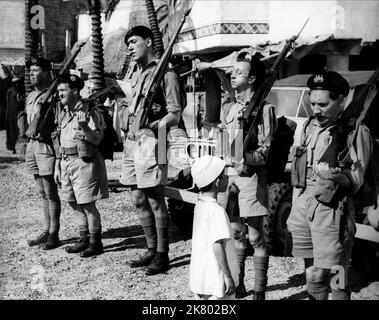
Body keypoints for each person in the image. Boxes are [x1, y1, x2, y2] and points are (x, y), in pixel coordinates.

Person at [286, 71, 373, 300]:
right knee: (312, 274)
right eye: (312, 102)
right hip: (305, 203)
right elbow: (298, 167)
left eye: (323, 104)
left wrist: (335, 177)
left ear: (341, 100)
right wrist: (296, 204)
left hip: (334, 209)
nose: (315, 110)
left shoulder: (356, 132)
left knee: (337, 275)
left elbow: (355, 181)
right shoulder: (308, 126)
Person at [120, 26, 183, 275]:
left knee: (156, 200)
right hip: (134, 140)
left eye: (134, 42)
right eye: (127, 44)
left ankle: (163, 254)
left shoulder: (166, 74)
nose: (130, 47)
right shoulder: (137, 73)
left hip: (154, 140)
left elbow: (175, 114)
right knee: (137, 198)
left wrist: (154, 124)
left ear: (148, 41)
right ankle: (150, 248)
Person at [217, 52, 278, 300]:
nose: (233, 75)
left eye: (239, 72)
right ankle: (239, 284)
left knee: (255, 237)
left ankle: (260, 291)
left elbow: (265, 152)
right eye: (233, 71)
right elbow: (222, 140)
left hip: (251, 179)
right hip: (229, 180)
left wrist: (244, 158)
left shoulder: (264, 109)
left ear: (252, 78)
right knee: (236, 234)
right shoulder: (230, 107)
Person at [54, 74, 109, 258]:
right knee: (71, 201)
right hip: (65, 161)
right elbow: (60, 138)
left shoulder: (89, 111)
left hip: (83, 162)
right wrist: (57, 165)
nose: (59, 93)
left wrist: (84, 126)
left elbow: (97, 139)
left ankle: (95, 242)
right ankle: (83, 238)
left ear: (75, 91)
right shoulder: (63, 111)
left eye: (63, 90)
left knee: (87, 204)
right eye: (58, 90)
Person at [190, 155, 239, 300]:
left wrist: (230, 202)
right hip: (216, 280)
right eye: (224, 176)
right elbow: (217, 245)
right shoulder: (216, 211)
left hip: (202, 277)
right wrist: (228, 276)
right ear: (217, 182)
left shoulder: (200, 205)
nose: (227, 179)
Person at [24, 57, 61, 250]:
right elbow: (29, 118)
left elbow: (59, 124)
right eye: (30, 71)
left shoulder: (54, 95)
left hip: (46, 146)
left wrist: (43, 132)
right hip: (32, 147)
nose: (31, 74)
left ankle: (54, 233)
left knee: (50, 192)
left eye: (36, 70)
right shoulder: (31, 96)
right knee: (41, 193)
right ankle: (47, 230)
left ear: (46, 72)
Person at [5, 72, 25, 153]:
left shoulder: (22, 92)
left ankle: (17, 147)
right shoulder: (10, 91)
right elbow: (8, 102)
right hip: (10, 113)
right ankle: (12, 147)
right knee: (11, 130)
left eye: (18, 83)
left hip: (18, 113)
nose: (16, 85)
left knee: (18, 130)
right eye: (15, 83)